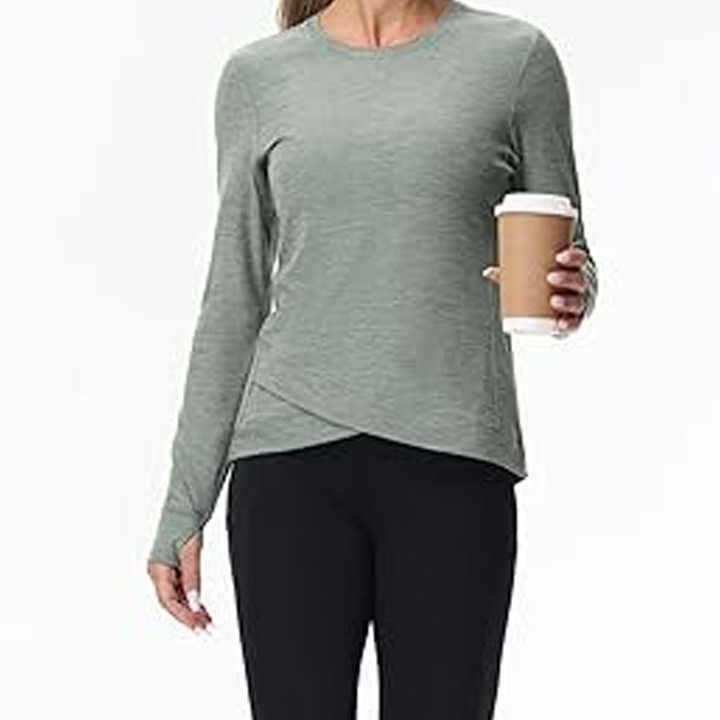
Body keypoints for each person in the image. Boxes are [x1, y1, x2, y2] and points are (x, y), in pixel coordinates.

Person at [146, 1, 598, 717]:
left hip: (454, 461)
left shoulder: (514, 59)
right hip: (287, 470)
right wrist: (185, 504)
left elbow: (568, 251)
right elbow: (234, 298)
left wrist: (573, 291)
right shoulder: (259, 77)